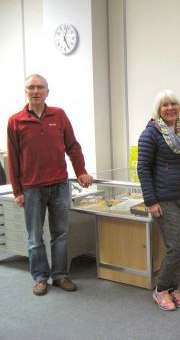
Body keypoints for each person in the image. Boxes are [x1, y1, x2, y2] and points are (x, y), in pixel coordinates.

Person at [7, 74, 93, 296]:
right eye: (31, 87)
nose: (36, 91)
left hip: (59, 186)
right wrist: (17, 190)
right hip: (32, 188)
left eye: (40, 87)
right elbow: (13, 159)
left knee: (61, 234)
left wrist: (81, 171)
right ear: (25, 92)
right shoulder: (15, 121)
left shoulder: (59, 115)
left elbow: (72, 146)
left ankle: (60, 275)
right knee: (35, 237)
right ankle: (40, 278)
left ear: (47, 91)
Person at [138, 89, 180, 311]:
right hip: (164, 198)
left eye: (173, 103)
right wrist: (151, 202)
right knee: (175, 247)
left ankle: (172, 288)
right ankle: (161, 289)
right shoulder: (151, 133)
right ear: (158, 109)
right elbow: (143, 169)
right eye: (165, 105)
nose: (170, 108)